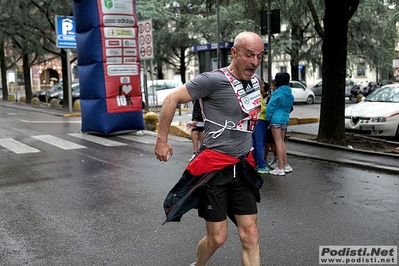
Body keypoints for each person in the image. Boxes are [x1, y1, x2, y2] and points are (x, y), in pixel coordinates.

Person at [154, 31, 265, 266]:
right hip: (214, 170)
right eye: (248, 55)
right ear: (234, 53)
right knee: (217, 238)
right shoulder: (212, 80)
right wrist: (162, 140)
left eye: (259, 56)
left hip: (242, 167)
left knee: (250, 234)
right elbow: (171, 99)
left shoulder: (256, 83)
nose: (254, 62)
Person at [266, 72, 294, 176]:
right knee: (282, 142)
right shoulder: (290, 94)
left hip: (276, 119)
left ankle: (280, 167)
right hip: (285, 119)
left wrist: (268, 118)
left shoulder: (277, 93)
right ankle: (285, 165)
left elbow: (270, 107)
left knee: (277, 142)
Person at [252, 79, 269, 174]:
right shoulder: (258, 95)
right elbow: (260, 108)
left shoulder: (254, 94)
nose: (263, 86)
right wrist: (268, 108)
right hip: (260, 120)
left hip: (255, 120)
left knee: (254, 143)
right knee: (260, 143)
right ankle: (261, 165)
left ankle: (253, 163)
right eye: (261, 84)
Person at [264, 80, 278, 168]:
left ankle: (277, 159)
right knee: (268, 141)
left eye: (273, 85)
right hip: (273, 120)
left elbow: (270, 108)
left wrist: (269, 117)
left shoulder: (273, 96)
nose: (271, 88)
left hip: (272, 121)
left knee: (272, 141)